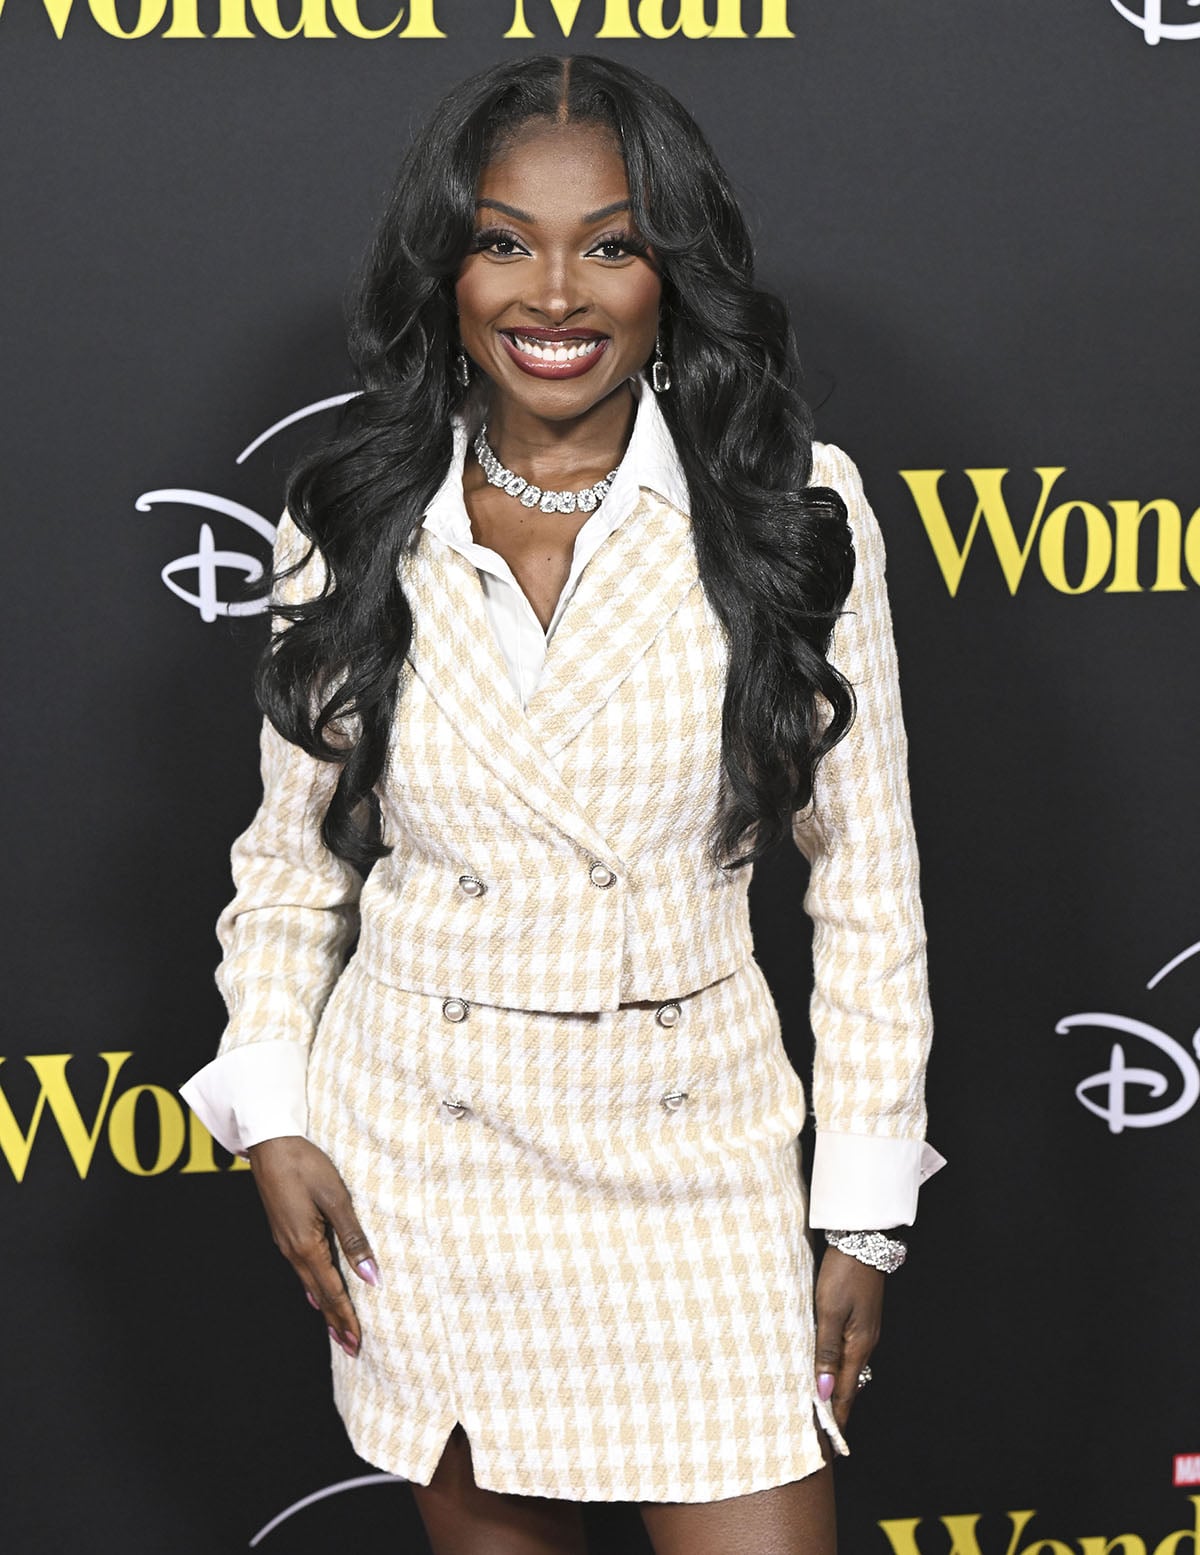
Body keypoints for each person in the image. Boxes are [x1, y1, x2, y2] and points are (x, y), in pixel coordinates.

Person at [181, 52, 943, 1555]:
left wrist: (861, 1213)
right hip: (429, 1156)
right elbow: (288, 865)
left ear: (672, 271)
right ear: (446, 270)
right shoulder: (351, 517)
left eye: (609, 243)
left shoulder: (794, 508)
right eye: (502, 239)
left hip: (693, 1156)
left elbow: (866, 887)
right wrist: (271, 1116)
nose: (554, 293)